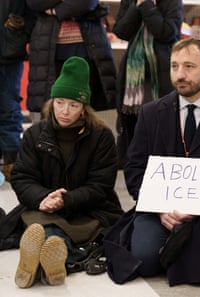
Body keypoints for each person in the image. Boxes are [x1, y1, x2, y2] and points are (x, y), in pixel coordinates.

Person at [104, 38, 200, 286]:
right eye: (174, 66)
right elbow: (133, 168)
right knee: (145, 259)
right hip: (158, 211)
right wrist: (160, 208)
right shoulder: (151, 113)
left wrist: (199, 207)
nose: (180, 74)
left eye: (188, 66)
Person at [10, 56, 124, 288]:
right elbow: (22, 177)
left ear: (84, 108)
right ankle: (55, 260)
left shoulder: (101, 137)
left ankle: (40, 262)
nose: (65, 111)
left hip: (88, 209)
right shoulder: (36, 133)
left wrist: (65, 200)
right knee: (45, 225)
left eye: (73, 105)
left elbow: (101, 185)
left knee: (50, 231)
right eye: (60, 102)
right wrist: (42, 199)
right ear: (52, 101)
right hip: (44, 207)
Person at [112, 0, 183, 168]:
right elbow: (121, 31)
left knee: (160, 124)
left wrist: (146, 5)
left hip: (162, 74)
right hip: (133, 76)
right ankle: (137, 169)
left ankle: (160, 169)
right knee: (135, 127)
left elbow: (167, 32)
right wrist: (136, 7)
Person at [26, 0, 117, 122]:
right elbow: (35, 3)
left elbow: (85, 3)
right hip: (48, 50)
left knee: (87, 107)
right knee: (51, 108)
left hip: (87, 48)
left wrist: (55, 11)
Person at [0, 0, 34, 181]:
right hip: (10, 43)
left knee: (8, 106)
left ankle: (12, 165)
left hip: (8, 50)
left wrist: (18, 30)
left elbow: (33, 10)